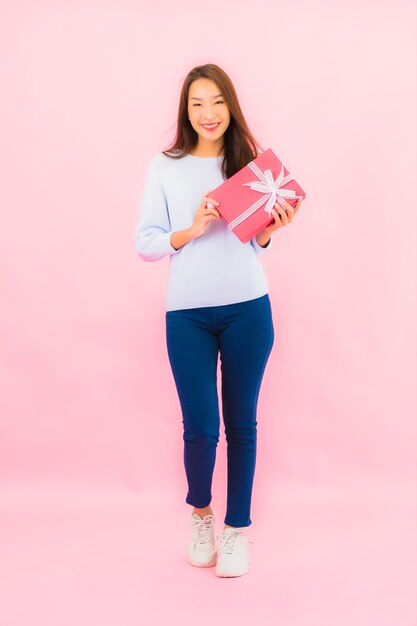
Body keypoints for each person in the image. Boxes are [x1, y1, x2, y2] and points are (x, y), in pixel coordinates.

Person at [134, 63, 302, 578]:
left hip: (249, 309)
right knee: (202, 428)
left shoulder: (249, 164)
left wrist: (272, 230)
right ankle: (201, 515)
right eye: (197, 104)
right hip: (187, 315)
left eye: (217, 102)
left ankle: (236, 531)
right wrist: (190, 229)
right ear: (186, 111)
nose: (208, 114)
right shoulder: (166, 165)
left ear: (231, 106)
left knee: (242, 425)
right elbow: (146, 243)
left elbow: (255, 242)